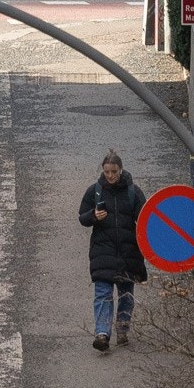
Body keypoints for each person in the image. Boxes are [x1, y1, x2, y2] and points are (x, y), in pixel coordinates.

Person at [79, 149, 147, 353]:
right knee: (103, 293)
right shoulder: (94, 191)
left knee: (126, 294)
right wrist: (93, 215)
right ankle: (102, 334)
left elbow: (145, 220)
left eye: (114, 171)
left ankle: (122, 329)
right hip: (103, 251)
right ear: (103, 170)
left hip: (128, 252)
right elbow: (82, 217)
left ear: (121, 169)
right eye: (107, 171)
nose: (110, 175)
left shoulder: (133, 192)